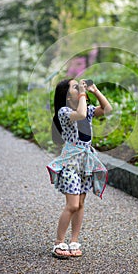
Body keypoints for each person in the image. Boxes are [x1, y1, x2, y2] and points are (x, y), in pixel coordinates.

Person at [46, 78, 112, 259]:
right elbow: (81, 114)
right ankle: (59, 242)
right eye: (75, 87)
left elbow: (107, 109)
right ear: (67, 97)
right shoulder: (65, 112)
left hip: (86, 163)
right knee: (72, 204)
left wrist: (95, 91)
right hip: (71, 163)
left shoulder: (87, 110)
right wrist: (84, 93)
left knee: (81, 204)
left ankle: (74, 241)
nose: (80, 89)